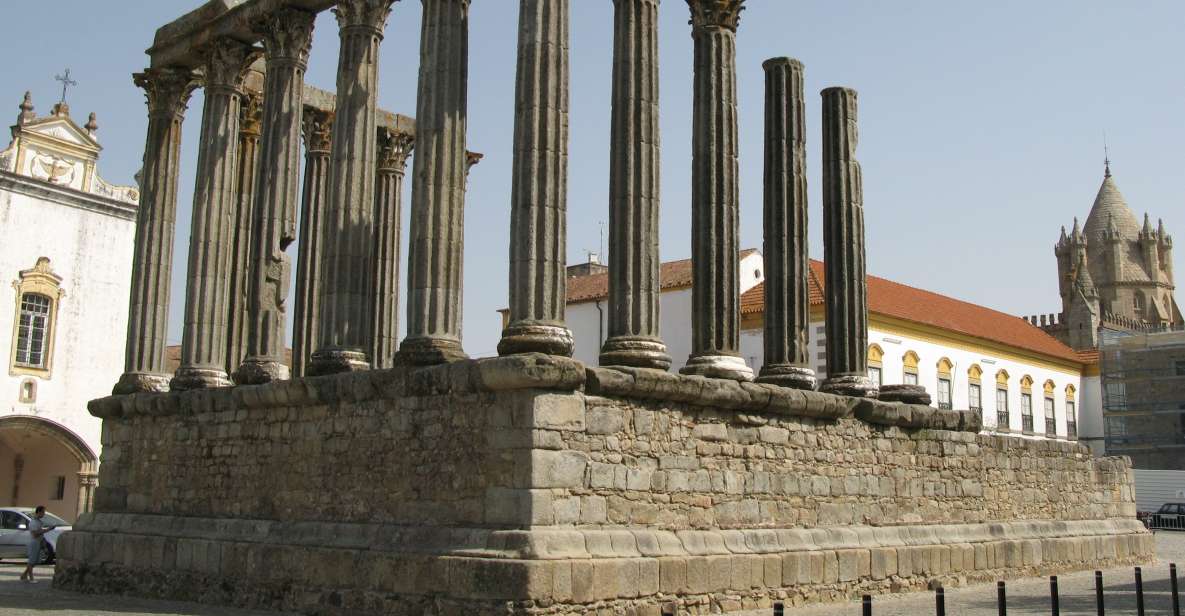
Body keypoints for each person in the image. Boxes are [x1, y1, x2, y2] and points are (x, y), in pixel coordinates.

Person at [19, 505, 53, 583]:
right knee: (32, 561)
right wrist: (47, 530)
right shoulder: (33, 522)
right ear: (39, 512)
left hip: (38, 542)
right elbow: (35, 534)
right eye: (43, 512)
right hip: (34, 542)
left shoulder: (39, 522)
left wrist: (43, 543)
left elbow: (40, 533)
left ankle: (24, 575)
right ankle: (31, 578)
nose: (44, 514)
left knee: (35, 561)